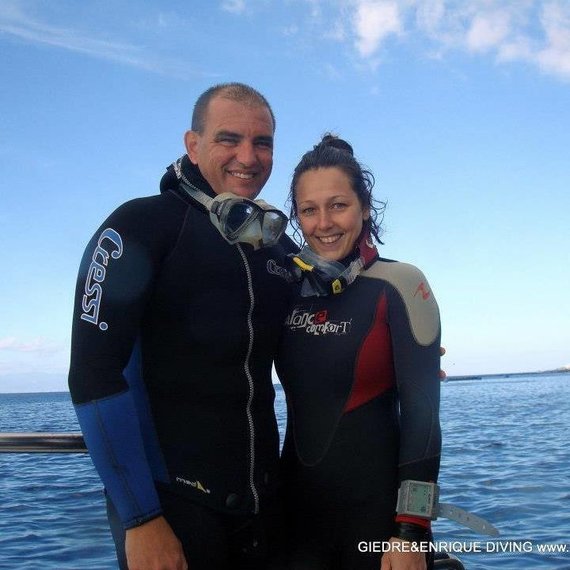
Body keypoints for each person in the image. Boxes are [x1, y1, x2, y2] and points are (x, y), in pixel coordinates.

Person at [68, 83, 296, 570]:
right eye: (228, 139)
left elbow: (334, 308)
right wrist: (140, 519)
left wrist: (410, 351)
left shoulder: (275, 247)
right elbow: (92, 375)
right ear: (192, 144)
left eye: (263, 143)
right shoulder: (140, 227)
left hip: (264, 509)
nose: (247, 156)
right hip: (172, 510)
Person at [275, 134, 441, 569]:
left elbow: (423, 420)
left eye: (338, 205)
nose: (324, 222)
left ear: (364, 207)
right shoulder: (284, 289)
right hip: (295, 524)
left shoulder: (400, 284)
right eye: (309, 210)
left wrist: (411, 531)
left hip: (379, 528)